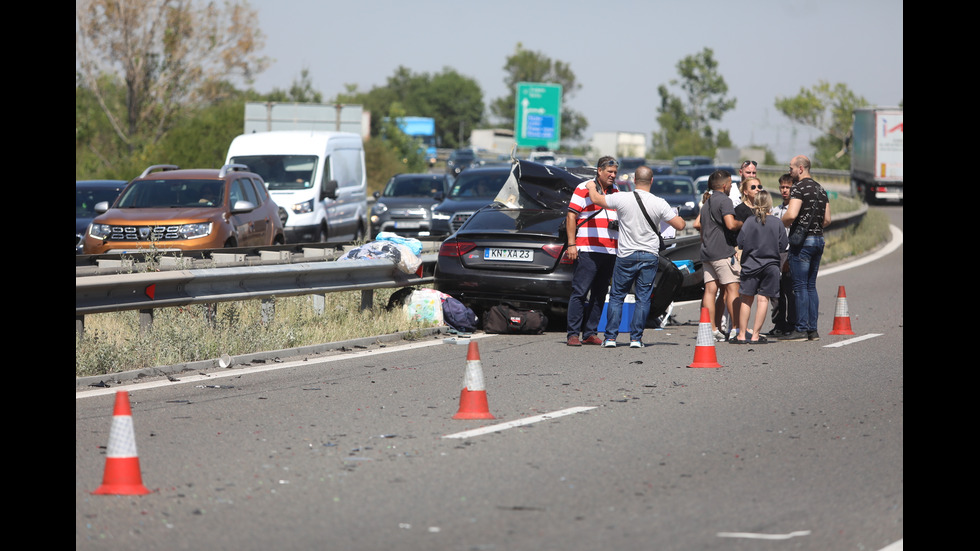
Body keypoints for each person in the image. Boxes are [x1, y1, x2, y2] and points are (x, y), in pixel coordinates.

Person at [586, 165, 685, 348]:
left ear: (634, 180)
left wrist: (592, 186)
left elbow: (596, 199)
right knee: (643, 298)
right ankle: (636, 339)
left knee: (617, 296)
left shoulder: (622, 198)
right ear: (652, 181)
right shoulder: (659, 202)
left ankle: (610, 338)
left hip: (626, 255)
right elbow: (679, 225)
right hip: (649, 255)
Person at [565, 156, 620, 346]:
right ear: (599, 170)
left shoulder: (615, 191)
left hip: (610, 251)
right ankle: (573, 334)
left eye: (615, 172)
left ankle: (590, 332)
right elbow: (571, 216)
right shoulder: (584, 188)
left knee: (599, 293)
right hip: (587, 249)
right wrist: (572, 244)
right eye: (609, 172)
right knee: (580, 291)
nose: (613, 175)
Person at [780, 155, 831, 341]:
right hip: (818, 241)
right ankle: (812, 330)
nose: (790, 171)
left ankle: (801, 328)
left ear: (801, 169)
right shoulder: (820, 188)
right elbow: (827, 220)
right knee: (810, 286)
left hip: (802, 244)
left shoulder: (799, 188)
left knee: (799, 286)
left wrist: (780, 221)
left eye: (791, 168)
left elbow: (791, 214)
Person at [693, 170, 742, 341]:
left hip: (707, 252)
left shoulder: (706, 202)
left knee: (710, 290)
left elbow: (698, 225)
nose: (730, 186)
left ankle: (711, 329)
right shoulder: (725, 200)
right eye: (729, 183)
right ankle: (736, 328)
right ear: (725, 184)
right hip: (722, 252)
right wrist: (743, 223)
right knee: (732, 289)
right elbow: (730, 224)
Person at [735, 190, 787, 344]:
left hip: (751, 265)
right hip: (770, 266)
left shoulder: (749, 222)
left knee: (746, 300)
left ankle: (742, 335)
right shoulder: (777, 223)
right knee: (763, 300)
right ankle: (756, 336)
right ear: (770, 203)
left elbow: (740, 242)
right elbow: (783, 245)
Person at [767, 173, 795, 336]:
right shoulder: (775, 210)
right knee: (775, 291)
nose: (785, 190)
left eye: (788, 187)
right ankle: (779, 323)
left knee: (790, 289)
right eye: (782, 187)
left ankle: (792, 323)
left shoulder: (795, 210)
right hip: (775, 252)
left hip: (789, 251)